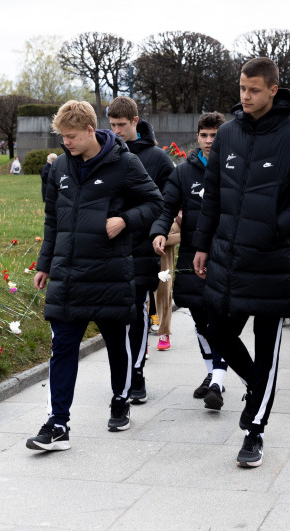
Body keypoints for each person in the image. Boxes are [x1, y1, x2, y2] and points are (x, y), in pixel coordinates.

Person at [192, 57, 290, 468]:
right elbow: (212, 194)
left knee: (267, 351)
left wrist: (278, 226)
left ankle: (255, 431)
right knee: (217, 332)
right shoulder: (227, 134)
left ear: (273, 90)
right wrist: (202, 244)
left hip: (271, 261)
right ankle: (255, 386)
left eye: (253, 90)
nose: (245, 96)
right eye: (241, 89)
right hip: (227, 257)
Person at [26, 100, 163, 451]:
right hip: (67, 275)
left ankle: (120, 399)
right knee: (62, 347)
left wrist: (125, 220)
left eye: (71, 136)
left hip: (108, 274)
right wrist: (44, 264)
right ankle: (58, 424)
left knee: (117, 344)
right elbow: (53, 219)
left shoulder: (125, 163)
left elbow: (155, 204)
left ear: (90, 131)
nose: (66, 143)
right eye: (62, 137)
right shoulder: (60, 169)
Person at [150, 112, 230, 402]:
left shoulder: (235, 168)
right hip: (191, 258)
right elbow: (166, 206)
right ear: (197, 137)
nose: (209, 141)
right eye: (204, 135)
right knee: (200, 320)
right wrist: (159, 231)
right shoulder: (183, 172)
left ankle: (218, 382)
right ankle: (212, 372)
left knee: (220, 320)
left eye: (215, 135)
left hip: (225, 257)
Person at [108, 96, 175, 403]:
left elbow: (164, 204)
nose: (117, 130)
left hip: (143, 247)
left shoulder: (158, 159)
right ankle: (124, 373)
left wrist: (156, 232)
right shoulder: (105, 154)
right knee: (118, 315)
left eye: (122, 124)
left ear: (136, 121)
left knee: (136, 313)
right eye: (112, 125)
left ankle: (136, 374)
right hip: (110, 248)